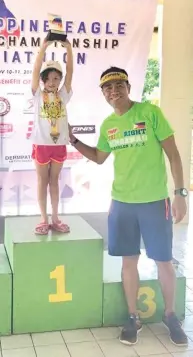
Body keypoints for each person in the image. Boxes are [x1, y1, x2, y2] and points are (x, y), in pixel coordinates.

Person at [69, 66, 188, 346]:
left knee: (164, 261)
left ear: (128, 87)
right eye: (108, 88)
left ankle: (170, 316)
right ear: (103, 94)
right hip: (122, 203)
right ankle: (133, 317)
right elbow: (99, 157)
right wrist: (72, 140)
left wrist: (181, 193)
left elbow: (174, 155)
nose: (114, 91)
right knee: (128, 262)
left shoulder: (150, 113)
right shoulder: (109, 125)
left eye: (119, 85)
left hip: (155, 202)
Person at [30, 38, 73, 235]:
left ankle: (55, 218)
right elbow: (35, 68)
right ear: (43, 79)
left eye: (57, 78)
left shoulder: (64, 94)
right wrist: (44, 47)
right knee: (42, 181)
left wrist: (69, 50)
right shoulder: (37, 94)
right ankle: (43, 219)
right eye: (49, 78)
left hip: (59, 144)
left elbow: (70, 73)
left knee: (54, 181)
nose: (53, 82)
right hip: (41, 144)